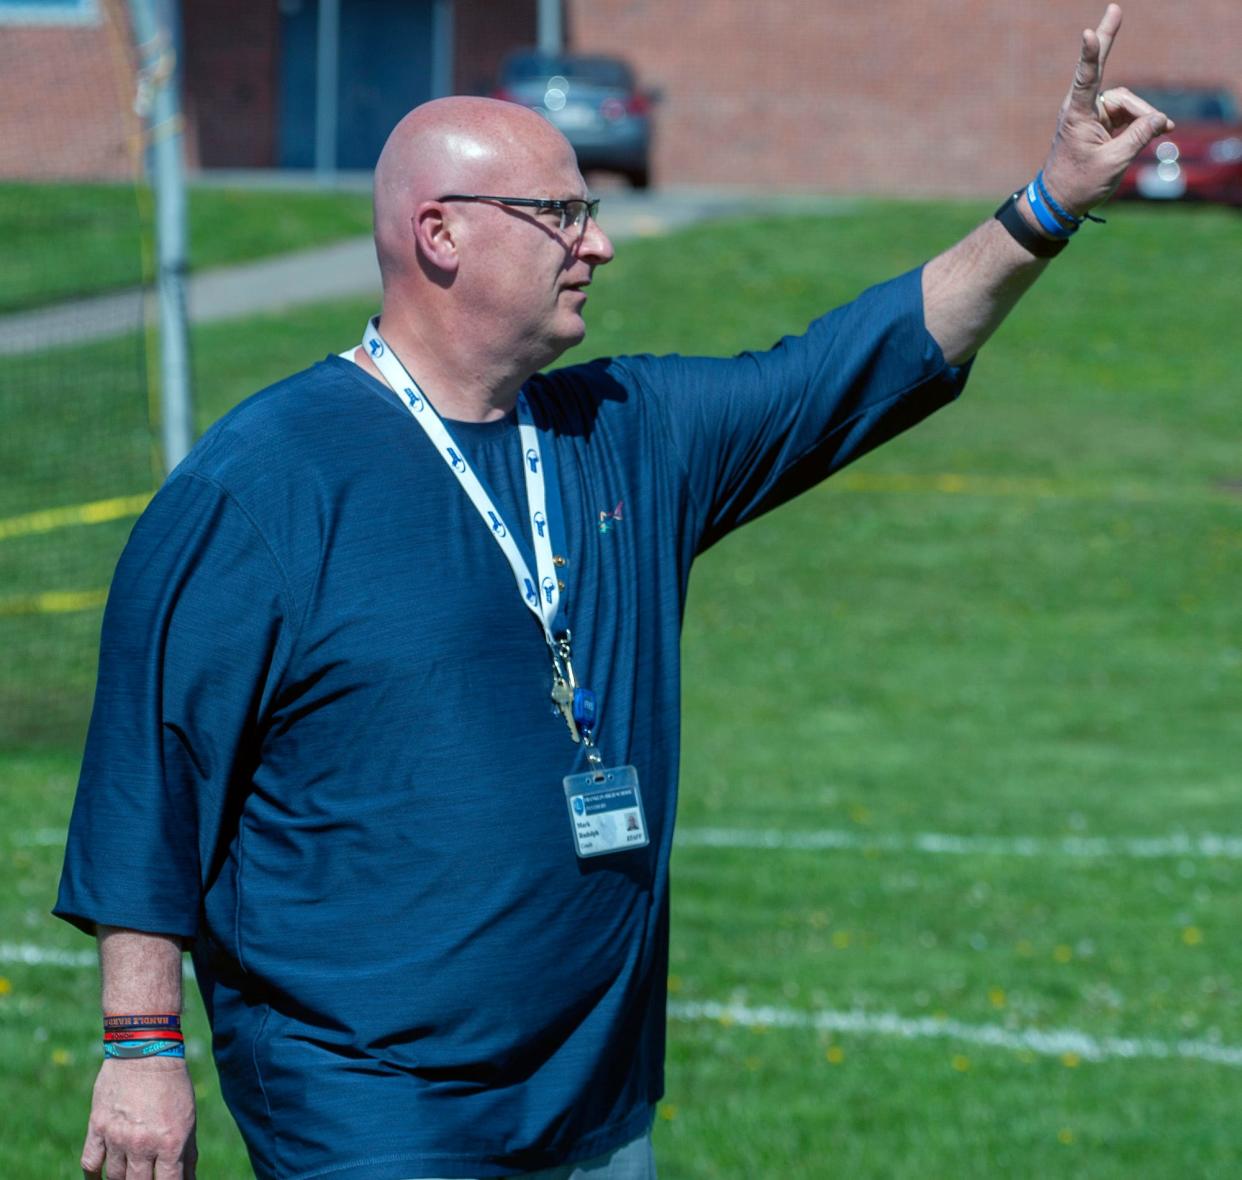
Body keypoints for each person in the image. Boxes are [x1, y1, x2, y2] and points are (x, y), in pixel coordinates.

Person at [56, 7, 1170, 1178]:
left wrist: (1044, 205)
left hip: (595, 1103)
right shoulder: (267, 480)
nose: (599, 244)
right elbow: (153, 768)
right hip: (372, 1107)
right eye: (564, 215)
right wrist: (140, 1043)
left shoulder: (624, 434)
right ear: (440, 234)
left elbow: (863, 360)